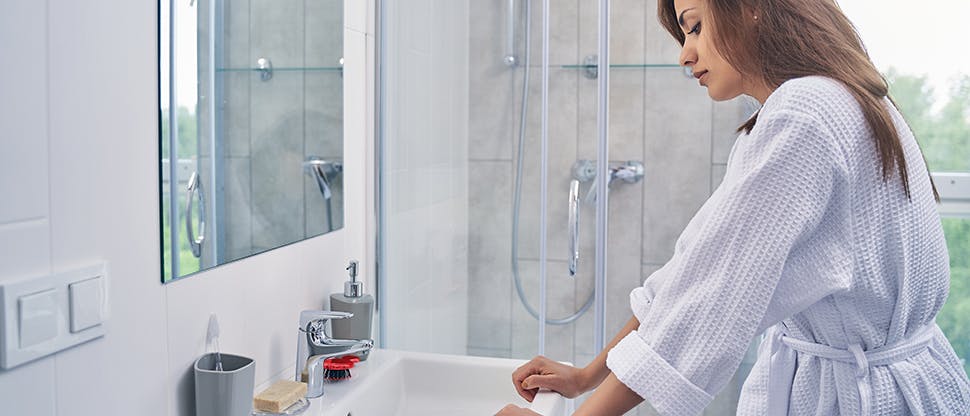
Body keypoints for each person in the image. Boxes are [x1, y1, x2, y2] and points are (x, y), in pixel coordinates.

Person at [496, 0, 970, 414]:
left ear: (750, 7)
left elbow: (707, 299)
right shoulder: (847, 97)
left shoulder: (804, 112)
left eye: (695, 26)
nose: (684, 53)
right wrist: (588, 376)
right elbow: (691, 274)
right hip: (910, 381)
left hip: (850, 395)